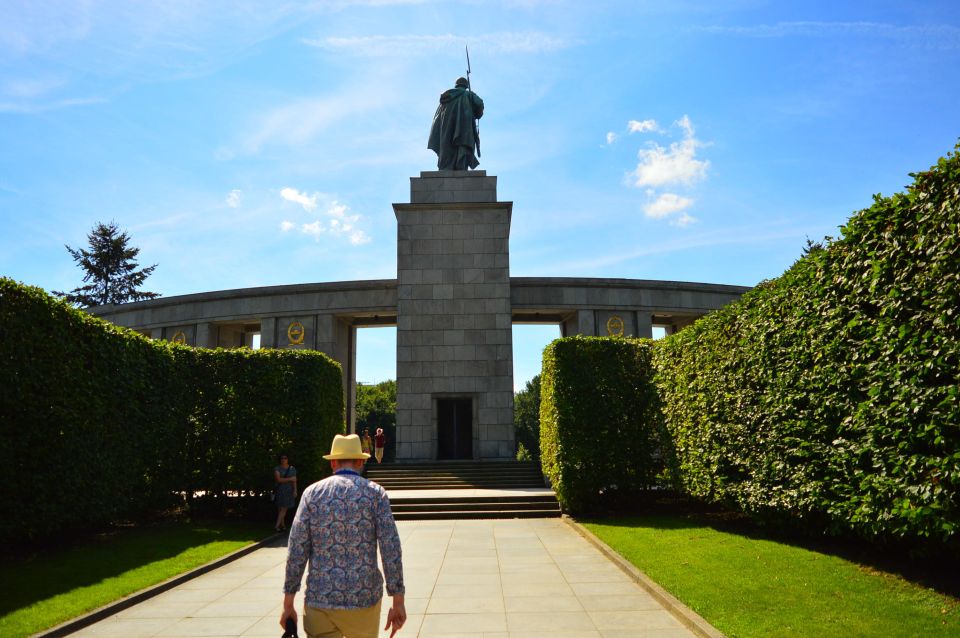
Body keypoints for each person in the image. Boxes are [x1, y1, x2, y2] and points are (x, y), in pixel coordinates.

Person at [281, 434, 406, 638]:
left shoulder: (312, 494)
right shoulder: (376, 494)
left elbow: (297, 549)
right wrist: (398, 600)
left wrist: (288, 602)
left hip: (320, 600)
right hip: (364, 600)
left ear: (333, 463)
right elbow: (390, 548)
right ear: (360, 461)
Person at [427, 77, 484, 170]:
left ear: (456, 85)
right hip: (464, 128)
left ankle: (446, 167)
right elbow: (480, 105)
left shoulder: (446, 98)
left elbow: (437, 118)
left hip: (446, 127)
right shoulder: (469, 95)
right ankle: (461, 166)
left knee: (447, 145)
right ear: (466, 86)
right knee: (462, 145)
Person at [274, 454, 297, 532]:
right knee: (280, 509)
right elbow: (278, 480)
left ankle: (277, 526)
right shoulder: (277, 468)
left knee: (284, 509)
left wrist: (295, 490)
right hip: (280, 490)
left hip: (288, 491)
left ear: (288, 459)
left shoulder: (292, 468)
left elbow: (294, 481)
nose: (283, 459)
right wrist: (290, 479)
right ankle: (282, 526)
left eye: (285, 458)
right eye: (282, 458)